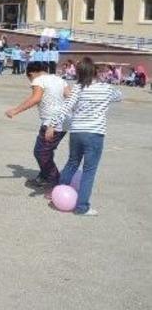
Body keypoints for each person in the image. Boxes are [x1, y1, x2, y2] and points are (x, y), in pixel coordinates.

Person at [46, 57, 122, 216]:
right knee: (89, 171)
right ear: (95, 71)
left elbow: (65, 108)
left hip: (76, 132)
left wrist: (52, 125)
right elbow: (119, 95)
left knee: (72, 163)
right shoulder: (106, 88)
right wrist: (111, 72)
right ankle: (82, 207)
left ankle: (56, 193)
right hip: (94, 134)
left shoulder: (78, 87)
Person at [4, 62, 71, 187]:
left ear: (31, 74)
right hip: (65, 121)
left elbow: (36, 98)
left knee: (41, 152)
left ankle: (54, 179)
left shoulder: (38, 80)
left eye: (29, 78)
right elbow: (69, 96)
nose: (31, 82)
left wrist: (15, 110)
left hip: (51, 122)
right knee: (47, 150)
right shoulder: (59, 79)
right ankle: (44, 176)